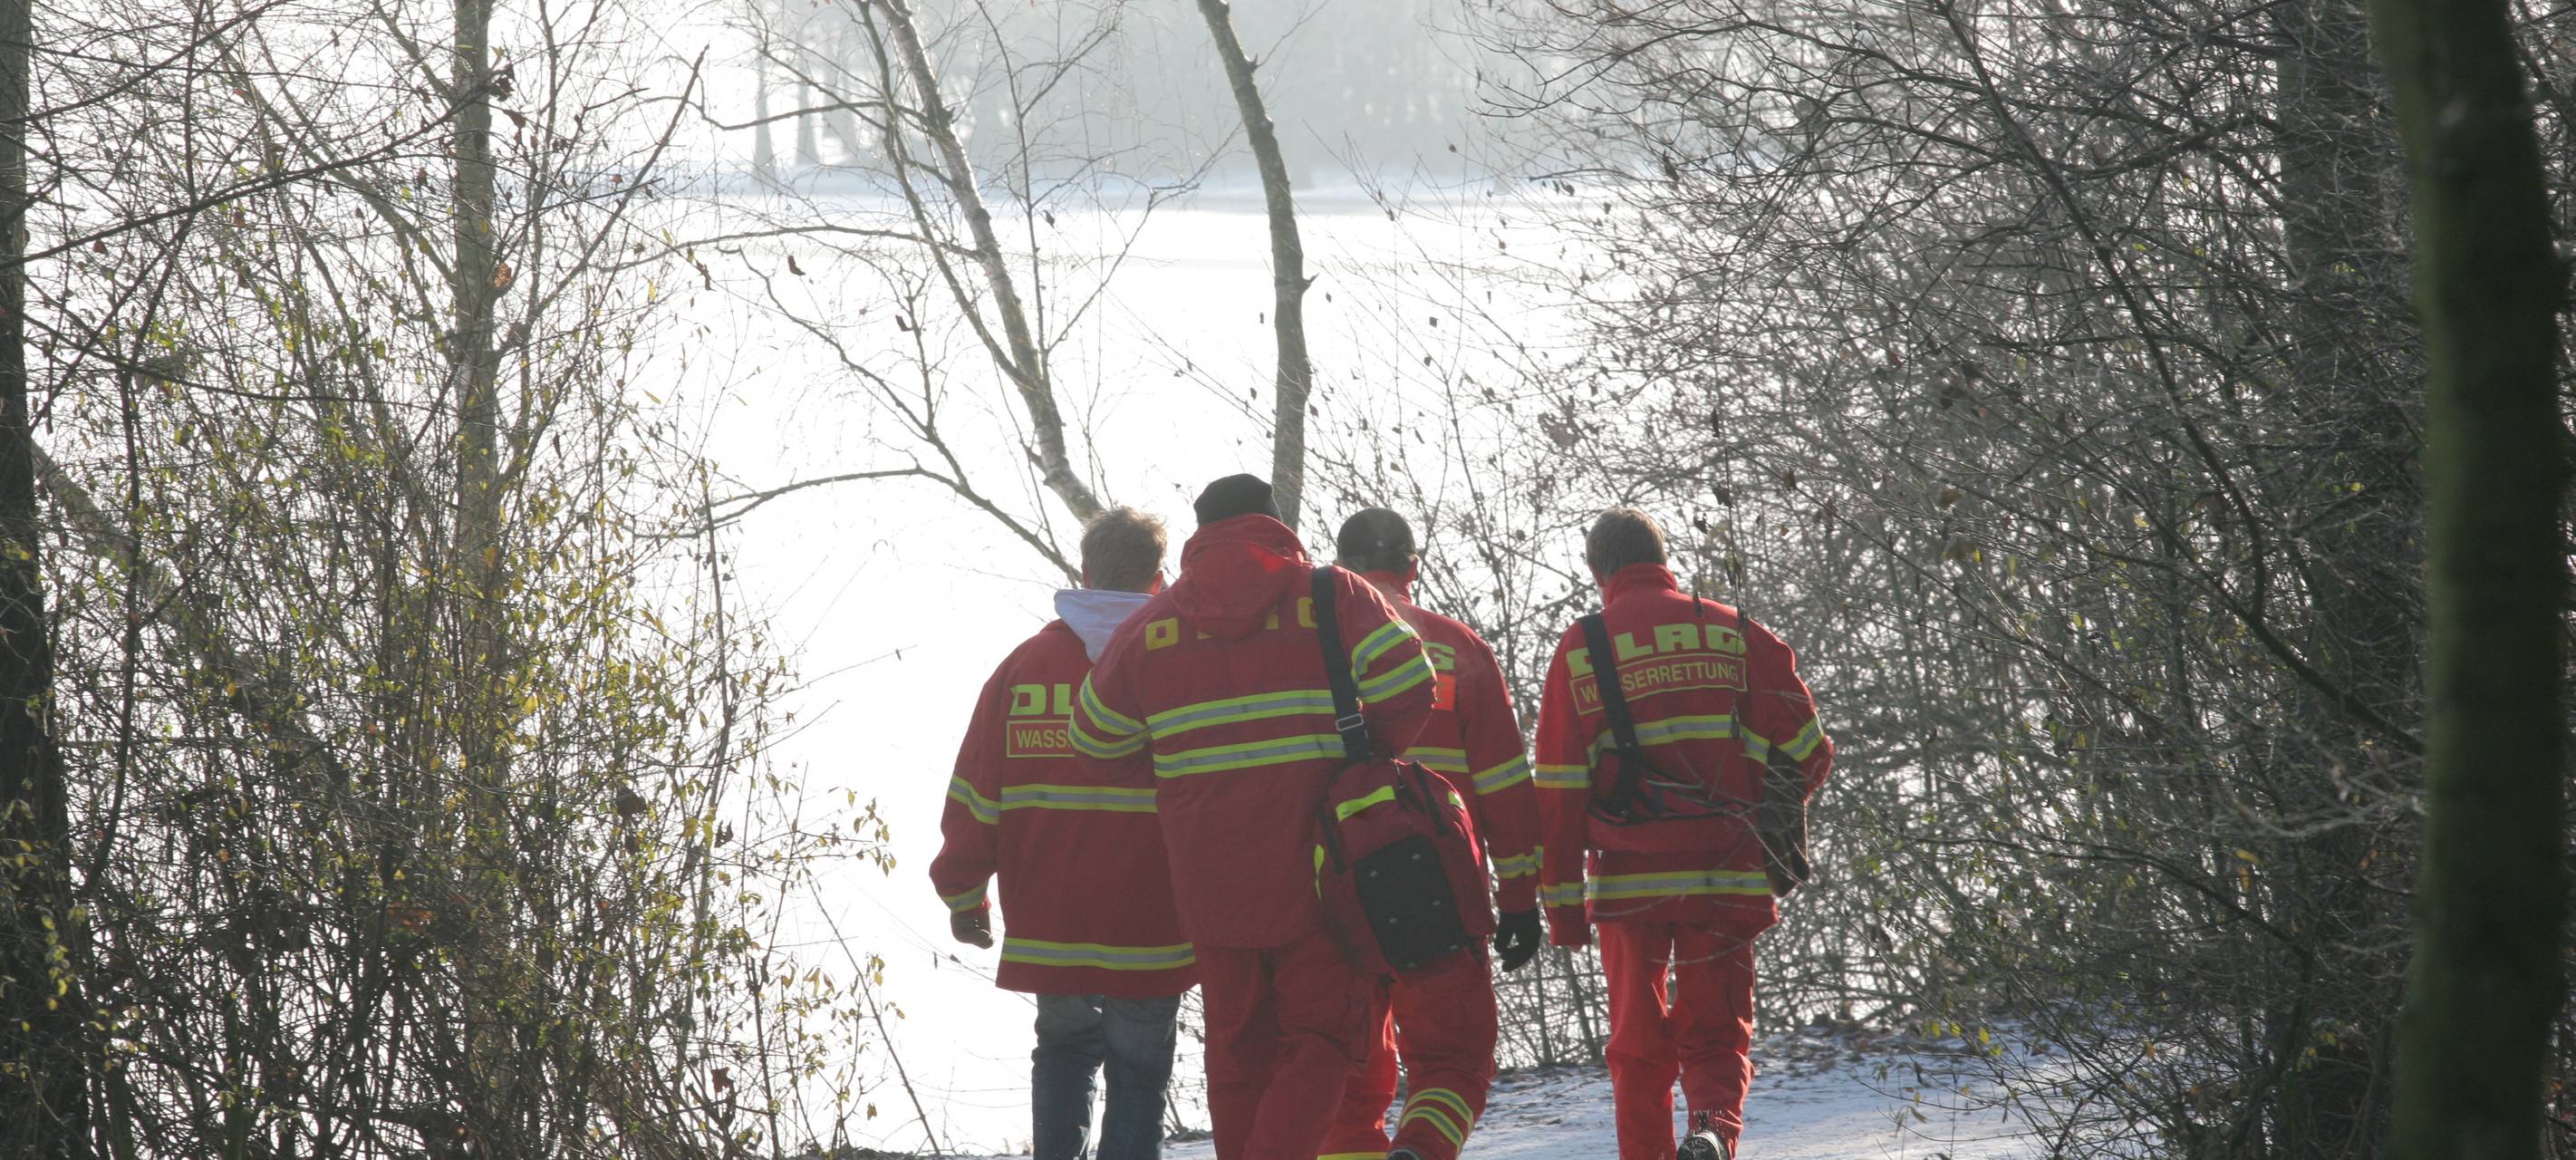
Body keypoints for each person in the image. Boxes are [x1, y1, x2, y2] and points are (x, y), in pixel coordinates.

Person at [1069, 475, 1438, 1160]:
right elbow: (1410, 687)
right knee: (1323, 1040)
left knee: (1237, 1056)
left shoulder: (1151, 624)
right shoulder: (1334, 595)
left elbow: (1093, 742)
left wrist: (1176, 780)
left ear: (1199, 536)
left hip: (1209, 885)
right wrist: (1366, 759)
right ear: (1275, 525)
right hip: (1323, 871)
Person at [1533, 508, 1834, 1160]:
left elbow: (1557, 789)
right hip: (1724, 872)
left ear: (1596, 572)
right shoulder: (1735, 632)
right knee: (1717, 1033)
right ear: (1663, 559)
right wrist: (1762, 817)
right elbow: (1809, 751)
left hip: (1626, 883)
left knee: (1636, 1044)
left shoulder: (1581, 647)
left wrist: (1562, 913)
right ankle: (1711, 1134)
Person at [929, 507, 1196, 1160]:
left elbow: (974, 792)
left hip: (1052, 915)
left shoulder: (1023, 668)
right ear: (1158, 579)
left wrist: (965, 897)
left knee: (1062, 1054)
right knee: (1139, 1068)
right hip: (1151, 918)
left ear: (1084, 570)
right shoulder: (1182, 666)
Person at [1314, 507, 1544, 1160]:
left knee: (1349, 1078)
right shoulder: (1458, 649)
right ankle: (1420, 1147)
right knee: (1451, 1062)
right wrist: (1521, 895)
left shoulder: (1306, 655)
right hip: (1442, 893)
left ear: (1337, 569)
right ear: (1413, 567)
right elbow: (1502, 782)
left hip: (1337, 888)